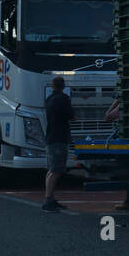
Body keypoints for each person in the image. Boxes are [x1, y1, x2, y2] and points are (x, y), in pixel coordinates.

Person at [43, 76, 75, 212]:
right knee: (57, 170)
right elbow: (72, 116)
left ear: (52, 86)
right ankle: (48, 200)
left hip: (50, 136)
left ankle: (49, 198)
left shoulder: (49, 99)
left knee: (51, 170)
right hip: (60, 137)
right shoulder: (64, 99)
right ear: (63, 86)